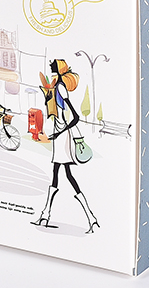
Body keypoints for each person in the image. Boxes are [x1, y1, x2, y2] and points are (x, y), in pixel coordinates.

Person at [32, 59, 99, 233]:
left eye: (54, 64)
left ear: (59, 68)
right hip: (60, 135)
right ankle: (89, 218)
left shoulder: (60, 87)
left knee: (60, 173)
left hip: (63, 137)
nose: (51, 65)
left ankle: (46, 215)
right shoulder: (57, 86)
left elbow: (75, 116)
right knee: (64, 174)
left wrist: (58, 133)